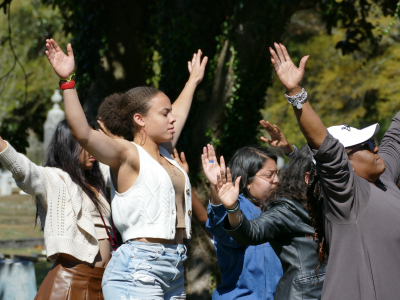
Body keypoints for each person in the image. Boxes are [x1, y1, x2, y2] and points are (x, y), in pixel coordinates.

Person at [45, 38, 207, 300]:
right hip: (138, 269)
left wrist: (191, 83)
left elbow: (178, 112)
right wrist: (67, 82)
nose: (172, 118)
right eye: (164, 114)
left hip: (174, 267)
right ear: (140, 119)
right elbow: (83, 133)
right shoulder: (128, 154)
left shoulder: (165, 154)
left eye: (170, 113)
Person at [268, 42, 400, 300]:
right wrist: (296, 93)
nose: (376, 149)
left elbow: (396, 135)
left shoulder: (384, 179)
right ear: (345, 163)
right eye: (367, 145)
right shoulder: (348, 197)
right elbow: (324, 147)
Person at [0, 119, 112, 300]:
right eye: (86, 142)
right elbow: (24, 170)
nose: (93, 148)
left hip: (102, 282)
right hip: (71, 280)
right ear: (69, 144)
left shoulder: (97, 178)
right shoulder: (54, 178)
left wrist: (110, 142)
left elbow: (123, 162)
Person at [203, 120, 303, 299]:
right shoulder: (237, 207)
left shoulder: (280, 207)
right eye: (268, 175)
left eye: (277, 173)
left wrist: (290, 150)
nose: (277, 180)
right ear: (247, 181)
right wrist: (217, 191)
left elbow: (310, 179)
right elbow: (221, 226)